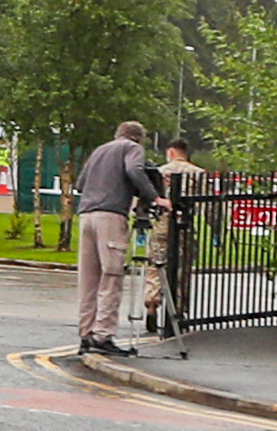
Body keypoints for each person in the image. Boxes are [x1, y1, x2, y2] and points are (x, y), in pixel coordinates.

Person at [72, 119, 161, 357]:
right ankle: (103, 336)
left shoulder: (99, 150)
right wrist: (154, 197)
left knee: (89, 280)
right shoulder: (132, 149)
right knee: (111, 277)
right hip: (110, 216)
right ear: (138, 138)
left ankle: (86, 334)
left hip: (86, 215)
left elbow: (80, 184)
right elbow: (134, 170)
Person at [143, 137, 208, 327]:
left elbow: (145, 200)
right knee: (182, 268)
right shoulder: (198, 174)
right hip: (184, 224)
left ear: (170, 152)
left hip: (161, 224)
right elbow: (209, 205)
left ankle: (151, 305)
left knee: (155, 265)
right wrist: (216, 229)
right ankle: (179, 309)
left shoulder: (160, 173)